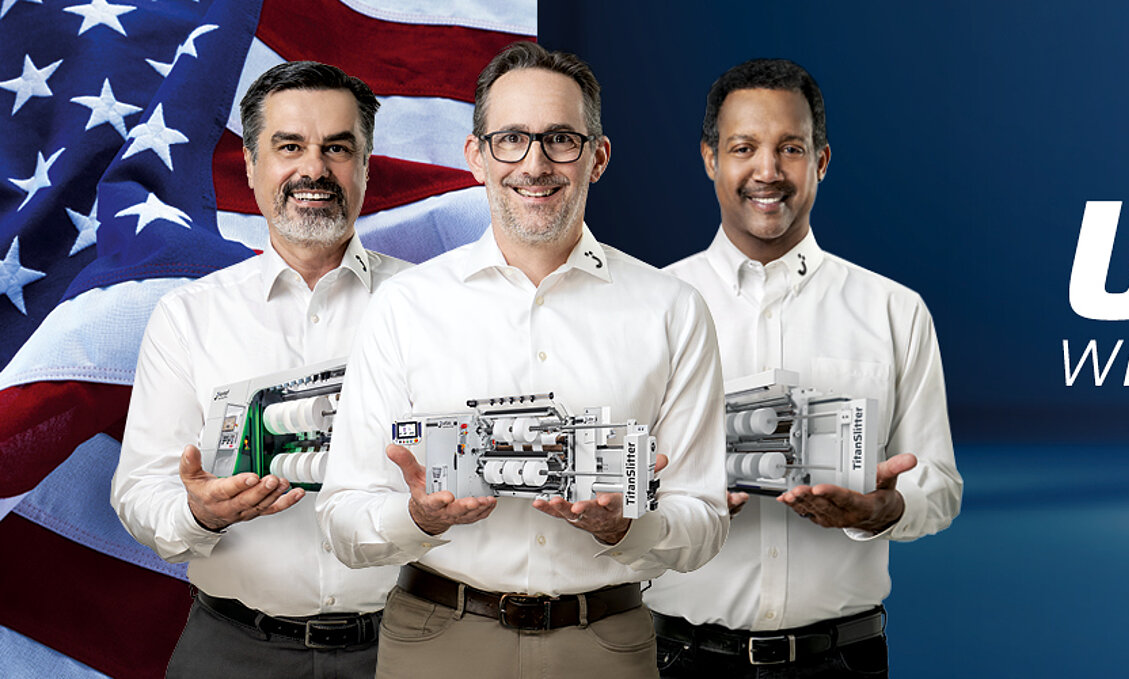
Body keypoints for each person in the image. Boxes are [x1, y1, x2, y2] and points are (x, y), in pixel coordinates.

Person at [314, 42, 728, 678]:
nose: (535, 164)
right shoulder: (405, 306)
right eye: (510, 139)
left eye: (561, 139)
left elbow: (705, 523)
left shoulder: (673, 309)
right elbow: (342, 519)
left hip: (605, 643)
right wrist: (418, 518)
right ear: (476, 155)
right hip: (437, 640)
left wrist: (625, 527)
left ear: (598, 157)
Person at [648, 58, 963, 677]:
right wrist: (675, 499)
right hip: (680, 659)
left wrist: (884, 510)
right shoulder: (650, 307)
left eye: (790, 148)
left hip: (841, 660)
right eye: (744, 148)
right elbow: (613, 486)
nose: (767, 171)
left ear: (821, 161)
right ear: (710, 159)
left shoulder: (895, 311)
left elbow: (941, 486)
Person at [112, 61, 409, 678]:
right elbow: (140, 490)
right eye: (290, 147)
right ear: (251, 166)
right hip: (233, 649)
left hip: (408, 645)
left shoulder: (431, 306)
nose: (314, 170)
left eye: (337, 148)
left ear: (366, 166)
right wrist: (200, 514)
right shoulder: (189, 317)